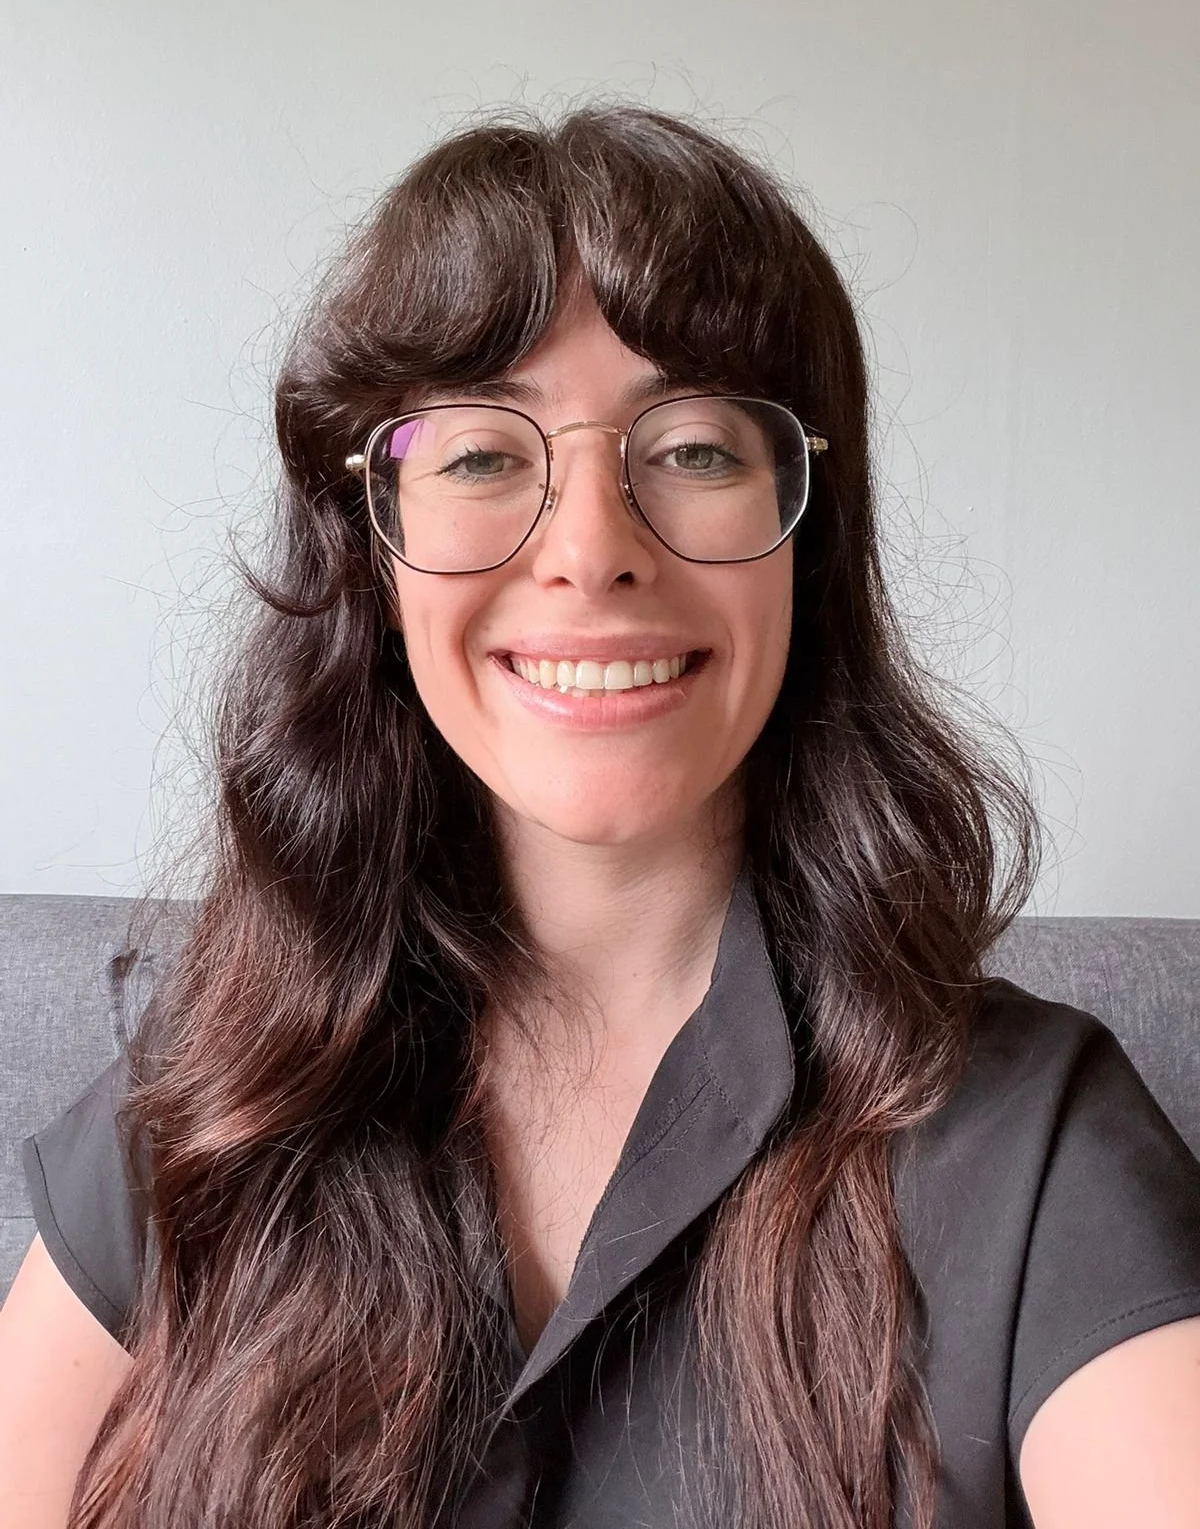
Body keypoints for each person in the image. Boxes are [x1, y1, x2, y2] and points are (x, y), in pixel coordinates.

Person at [1, 105, 1198, 1529]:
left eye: (692, 449)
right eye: (480, 455)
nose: (589, 551)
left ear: (808, 533)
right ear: (375, 544)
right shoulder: (224, 1083)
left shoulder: (1039, 1146)